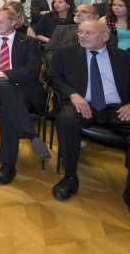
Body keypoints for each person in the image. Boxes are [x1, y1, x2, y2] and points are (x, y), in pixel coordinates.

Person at [48, 19, 130, 207]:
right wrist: (73, 95)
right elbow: (52, 77)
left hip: (116, 108)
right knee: (65, 120)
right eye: (80, 32)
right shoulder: (65, 52)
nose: (83, 36)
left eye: (89, 33)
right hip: (82, 104)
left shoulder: (123, 57)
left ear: (105, 36)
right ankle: (69, 177)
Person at [0, 7, 48, 186]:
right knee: (3, 89)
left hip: (23, 89)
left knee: (8, 107)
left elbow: (32, 71)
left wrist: (2, 74)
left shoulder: (28, 42)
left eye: (0, 21)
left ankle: (8, 165)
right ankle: (31, 134)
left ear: (14, 22)